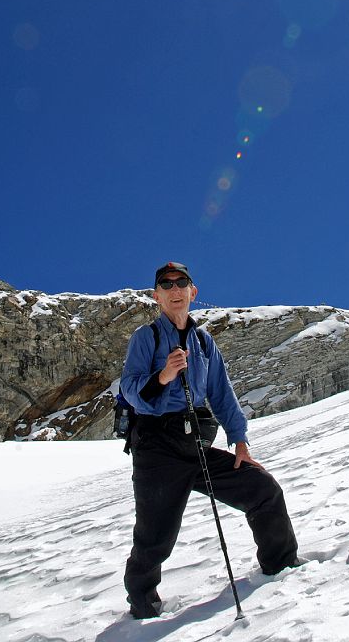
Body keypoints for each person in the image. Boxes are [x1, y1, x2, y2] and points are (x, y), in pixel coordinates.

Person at [120, 261, 299, 619]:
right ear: (156, 296)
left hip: (195, 445)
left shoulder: (204, 341)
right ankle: (143, 607)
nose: (174, 289)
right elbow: (130, 389)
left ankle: (282, 569)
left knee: (263, 490)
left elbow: (222, 395)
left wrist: (240, 441)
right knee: (155, 536)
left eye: (181, 283)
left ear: (192, 292)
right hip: (156, 448)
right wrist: (166, 375)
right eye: (166, 285)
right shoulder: (147, 337)